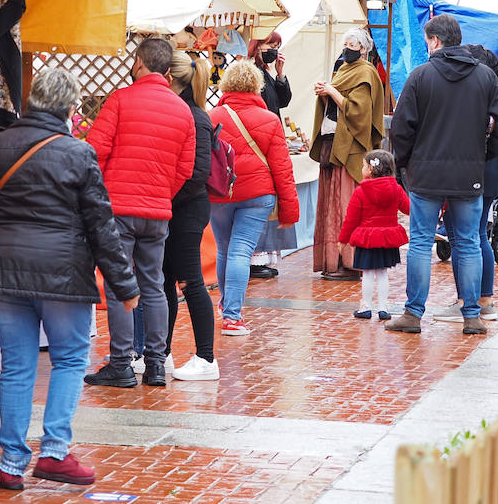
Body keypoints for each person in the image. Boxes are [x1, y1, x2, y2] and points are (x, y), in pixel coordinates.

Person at [0, 67, 140, 491]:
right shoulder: (78, 153)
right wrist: (124, 286)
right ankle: (54, 452)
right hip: (62, 276)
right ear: (70, 108)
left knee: (17, 366)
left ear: (32, 103)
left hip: (4, 274)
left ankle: (12, 462)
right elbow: (101, 227)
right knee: (70, 358)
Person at [386, 15, 498, 336]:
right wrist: (486, 153)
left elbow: (401, 129)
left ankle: (413, 314)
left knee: (420, 243)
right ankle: (471, 314)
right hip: (468, 174)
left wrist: (405, 164)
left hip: (426, 173)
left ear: (434, 41)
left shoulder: (420, 76)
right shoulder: (485, 77)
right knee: (469, 242)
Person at [83, 38, 196, 389]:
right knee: (154, 285)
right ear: (166, 70)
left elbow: (94, 154)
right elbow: (185, 169)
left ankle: (121, 363)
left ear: (138, 63)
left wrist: (98, 196)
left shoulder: (120, 100)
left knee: (119, 285)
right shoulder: (183, 111)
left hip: (118, 208)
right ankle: (156, 364)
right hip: (158, 212)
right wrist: (162, 193)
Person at [432, 45, 498, 325]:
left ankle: (469, 302)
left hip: (472, 171)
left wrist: (482, 154)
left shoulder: (477, 91)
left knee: (466, 238)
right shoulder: (496, 93)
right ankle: (484, 300)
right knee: (476, 235)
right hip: (490, 171)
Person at [209, 60, 301, 336]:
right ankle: (232, 316)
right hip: (257, 194)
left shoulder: (212, 116)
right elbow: (282, 169)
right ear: (257, 86)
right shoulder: (270, 120)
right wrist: (289, 212)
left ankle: (228, 307)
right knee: (240, 252)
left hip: (220, 192)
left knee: (225, 250)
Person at [311, 28, 387, 279]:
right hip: (332, 145)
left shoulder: (366, 72)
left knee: (346, 205)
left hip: (351, 150)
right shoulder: (343, 70)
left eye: (351, 43)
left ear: (363, 49)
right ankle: (333, 261)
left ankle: (351, 261)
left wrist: (332, 92)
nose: (346, 47)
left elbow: (359, 113)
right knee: (331, 205)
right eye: (344, 43)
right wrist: (325, 92)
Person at [164, 51, 219, 381]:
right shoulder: (190, 112)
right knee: (166, 280)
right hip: (178, 209)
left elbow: (197, 173)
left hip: (186, 210)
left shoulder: (196, 116)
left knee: (190, 282)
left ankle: (207, 358)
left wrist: (165, 197)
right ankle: (164, 352)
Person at [338, 150, 408, 321]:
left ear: (370, 169)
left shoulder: (361, 191)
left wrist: (343, 240)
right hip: (387, 238)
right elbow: (408, 208)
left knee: (368, 274)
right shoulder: (396, 189)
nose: (362, 168)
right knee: (383, 273)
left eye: (363, 165)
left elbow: (351, 219)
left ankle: (366, 307)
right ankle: (383, 307)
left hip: (367, 239)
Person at [248, 32, 291, 116]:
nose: (275, 51)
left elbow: (283, 101)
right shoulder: (249, 73)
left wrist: (280, 74)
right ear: (258, 46)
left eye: (277, 48)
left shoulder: (265, 73)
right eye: (272, 47)